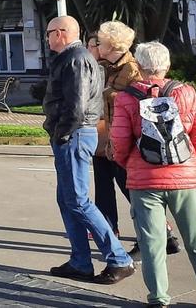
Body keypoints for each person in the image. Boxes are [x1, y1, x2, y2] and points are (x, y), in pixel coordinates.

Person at [111, 42, 196, 308]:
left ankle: (159, 300)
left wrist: (130, 165)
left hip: (144, 180)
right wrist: (192, 164)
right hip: (186, 179)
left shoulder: (127, 98)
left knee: (152, 245)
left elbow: (119, 142)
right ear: (167, 65)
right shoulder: (185, 93)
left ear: (138, 67)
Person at [43, 16, 135, 285]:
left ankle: (119, 259)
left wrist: (62, 132)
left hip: (74, 134)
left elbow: (77, 104)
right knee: (68, 199)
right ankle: (80, 262)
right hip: (72, 134)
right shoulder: (77, 57)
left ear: (60, 33)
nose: (47, 37)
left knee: (78, 200)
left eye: (49, 33)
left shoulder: (77, 58)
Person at [91, 21, 181, 256]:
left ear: (112, 45)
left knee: (131, 190)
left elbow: (139, 102)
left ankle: (161, 234)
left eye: (100, 42)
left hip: (127, 140)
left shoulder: (132, 69)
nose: (97, 46)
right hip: (108, 135)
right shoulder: (107, 66)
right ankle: (109, 233)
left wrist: (111, 95)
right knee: (103, 185)